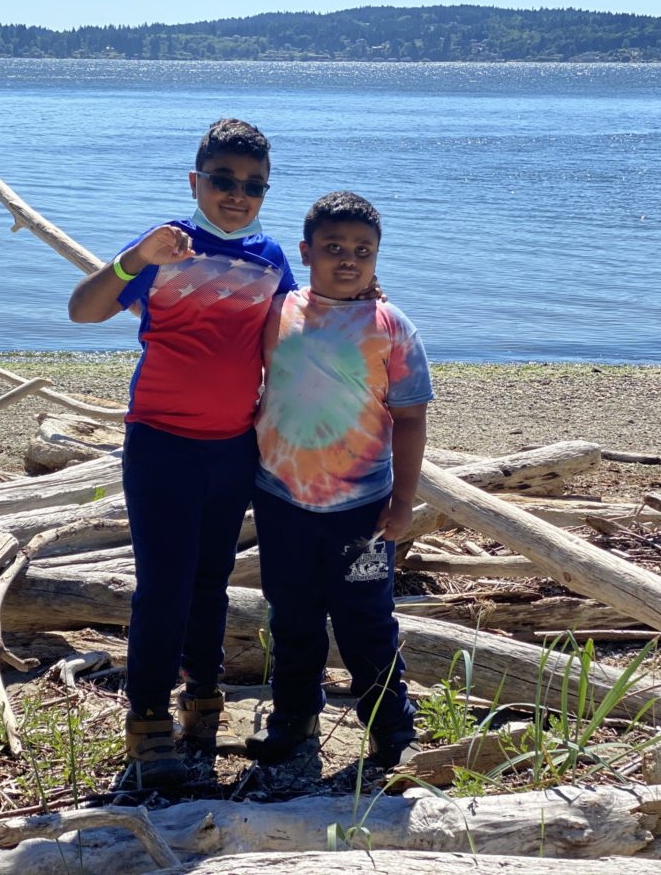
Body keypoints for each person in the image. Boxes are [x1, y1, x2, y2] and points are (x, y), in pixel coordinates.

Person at [67, 119, 296, 787]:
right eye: (222, 180)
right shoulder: (167, 245)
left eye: (253, 185)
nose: (237, 194)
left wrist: (358, 302)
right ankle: (146, 723)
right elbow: (83, 310)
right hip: (161, 443)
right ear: (196, 182)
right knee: (164, 588)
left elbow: (295, 332)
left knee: (208, 584)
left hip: (232, 448)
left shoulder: (271, 260)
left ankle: (201, 702)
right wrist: (134, 259)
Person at [246, 191, 433, 769]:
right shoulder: (277, 313)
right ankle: (294, 721)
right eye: (333, 248)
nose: (348, 259)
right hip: (283, 501)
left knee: (366, 622)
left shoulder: (390, 326)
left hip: (363, 511)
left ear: (378, 259)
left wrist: (404, 501)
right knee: (292, 617)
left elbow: (410, 417)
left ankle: (389, 728)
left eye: (362, 251)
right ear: (305, 252)